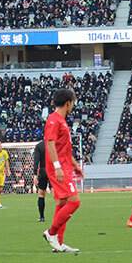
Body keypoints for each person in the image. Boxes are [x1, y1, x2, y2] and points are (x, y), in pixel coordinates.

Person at [42, 88, 83, 254]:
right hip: (58, 167)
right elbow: (50, 143)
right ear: (68, 103)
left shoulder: (61, 121)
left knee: (63, 203)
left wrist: (75, 165)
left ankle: (58, 243)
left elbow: (63, 148)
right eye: (73, 102)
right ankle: (51, 233)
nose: (73, 105)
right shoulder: (54, 120)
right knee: (74, 201)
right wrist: (57, 166)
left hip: (64, 165)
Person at [32, 139, 48, 222]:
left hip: (43, 171)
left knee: (41, 193)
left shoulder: (39, 146)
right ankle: (61, 216)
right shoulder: (55, 144)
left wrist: (35, 174)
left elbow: (36, 161)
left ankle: (42, 217)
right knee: (57, 193)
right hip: (54, 171)